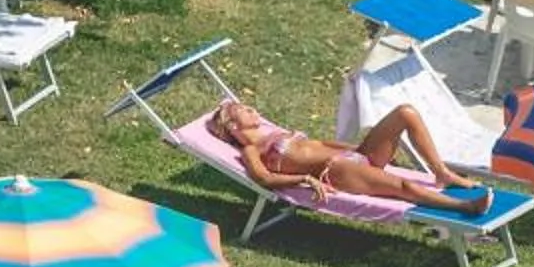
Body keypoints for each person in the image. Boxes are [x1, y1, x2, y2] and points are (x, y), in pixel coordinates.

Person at [205, 97, 496, 216]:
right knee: (403, 188)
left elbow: (319, 142)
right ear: (232, 126)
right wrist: (304, 179)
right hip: (338, 171)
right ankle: (467, 207)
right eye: (243, 108)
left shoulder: (275, 132)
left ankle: (441, 172)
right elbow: (264, 178)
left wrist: (356, 148)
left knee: (405, 113)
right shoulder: (251, 150)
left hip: (352, 157)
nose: (251, 108)